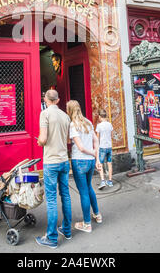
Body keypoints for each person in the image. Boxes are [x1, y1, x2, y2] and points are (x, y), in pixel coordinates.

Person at [35, 90, 72, 249]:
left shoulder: (45, 114)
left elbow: (43, 138)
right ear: (57, 100)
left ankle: (51, 237)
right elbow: (68, 139)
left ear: (45, 99)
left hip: (51, 162)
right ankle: (67, 230)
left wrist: (40, 142)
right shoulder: (65, 116)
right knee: (65, 195)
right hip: (64, 160)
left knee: (51, 200)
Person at [67, 100, 102, 234]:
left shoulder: (72, 125)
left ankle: (87, 224)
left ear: (69, 111)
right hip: (90, 161)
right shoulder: (87, 122)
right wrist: (96, 157)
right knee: (89, 188)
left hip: (79, 161)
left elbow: (80, 147)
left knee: (83, 192)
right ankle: (97, 214)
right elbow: (96, 140)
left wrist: (92, 152)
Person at [96, 109, 113, 189]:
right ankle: (110, 181)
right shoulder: (109, 124)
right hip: (109, 146)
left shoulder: (99, 126)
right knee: (109, 164)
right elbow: (111, 135)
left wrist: (96, 148)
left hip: (102, 147)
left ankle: (103, 181)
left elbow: (97, 138)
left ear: (99, 117)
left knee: (101, 164)